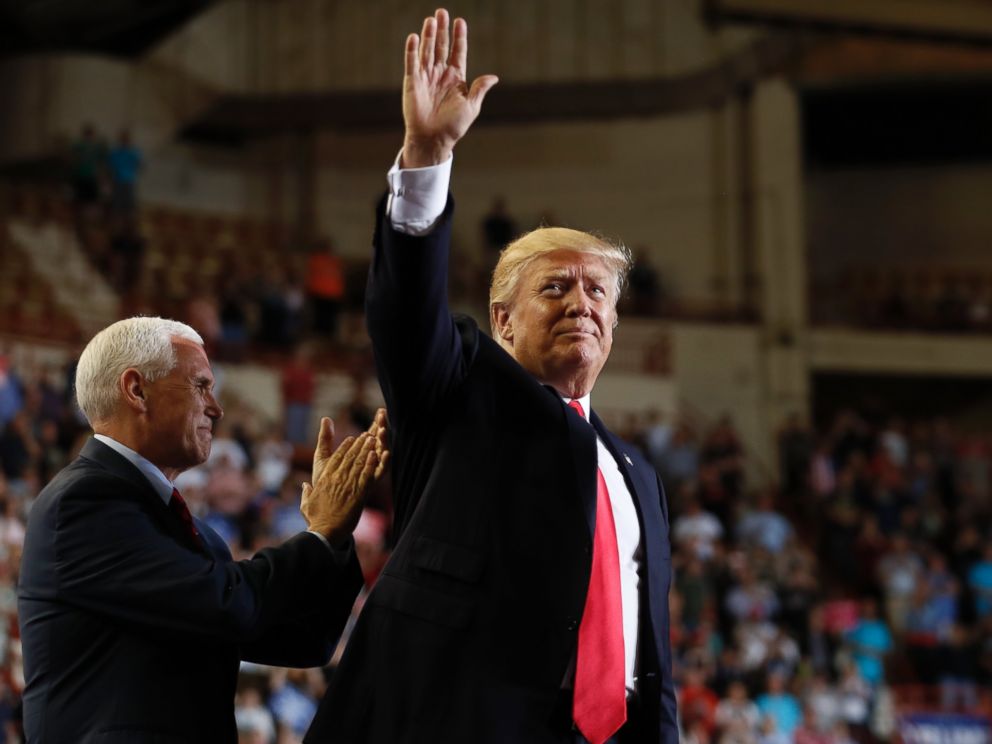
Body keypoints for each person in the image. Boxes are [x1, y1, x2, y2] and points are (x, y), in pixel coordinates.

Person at [305, 9, 677, 744]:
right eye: (555, 288)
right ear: (502, 321)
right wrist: (426, 155)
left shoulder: (637, 473)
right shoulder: (457, 389)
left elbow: (647, 653)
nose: (581, 302)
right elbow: (406, 309)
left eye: (597, 291)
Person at [18, 316, 387, 743]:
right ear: (137, 390)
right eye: (201, 386)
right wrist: (318, 535)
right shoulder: (82, 503)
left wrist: (337, 534)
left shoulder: (196, 534)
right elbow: (227, 604)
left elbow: (304, 640)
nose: (217, 407)